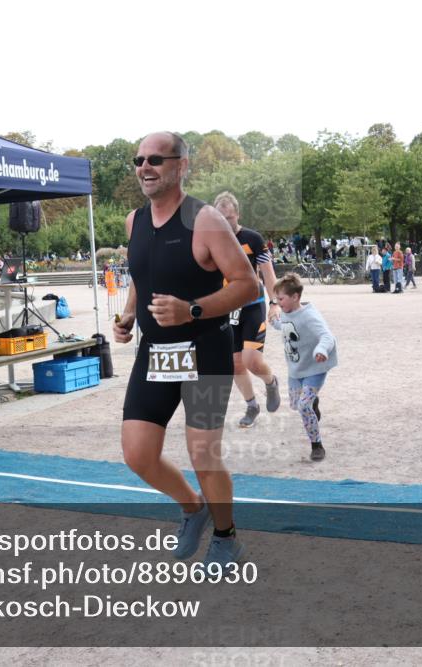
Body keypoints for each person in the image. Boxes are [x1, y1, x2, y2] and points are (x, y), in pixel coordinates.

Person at [113, 131, 257, 567]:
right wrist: (127, 314)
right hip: (155, 351)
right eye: (138, 160)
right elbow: (143, 274)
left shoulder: (206, 221)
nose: (145, 168)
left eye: (156, 159)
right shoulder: (134, 222)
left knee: (202, 453)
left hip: (206, 349)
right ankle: (193, 509)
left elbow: (247, 285)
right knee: (137, 454)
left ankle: (226, 537)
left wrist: (192, 310)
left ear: (181, 165)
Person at [213, 191, 281, 428]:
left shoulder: (252, 238)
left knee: (252, 360)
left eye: (229, 218)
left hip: (252, 305)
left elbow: (269, 272)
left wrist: (274, 303)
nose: (226, 224)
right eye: (221, 219)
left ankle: (271, 382)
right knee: (235, 363)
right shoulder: (211, 241)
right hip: (228, 309)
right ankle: (252, 405)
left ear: (237, 215)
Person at [273, 273, 337, 462]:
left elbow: (328, 336)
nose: (278, 302)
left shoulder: (309, 316)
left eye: (281, 299)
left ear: (295, 297)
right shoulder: (285, 312)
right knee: (296, 404)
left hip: (315, 368)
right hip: (296, 369)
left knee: (303, 406)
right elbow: (285, 325)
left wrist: (321, 349)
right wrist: (275, 322)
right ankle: (313, 402)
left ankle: (317, 445)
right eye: (277, 299)